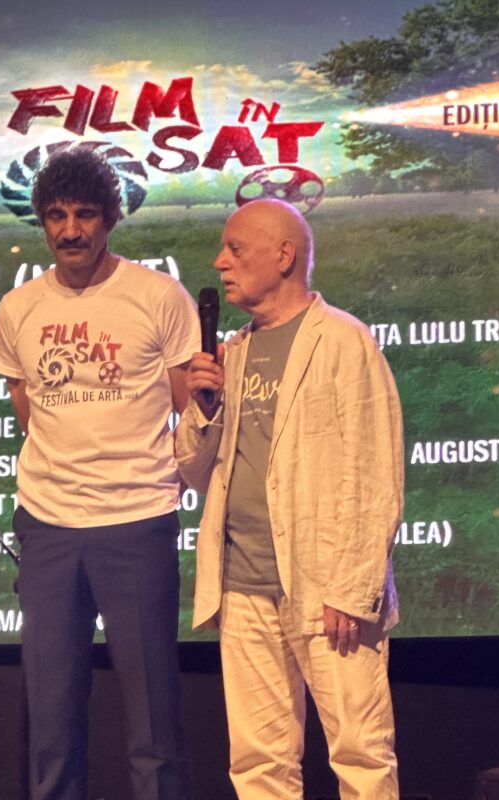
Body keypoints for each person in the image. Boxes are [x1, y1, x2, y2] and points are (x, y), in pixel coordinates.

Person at [0, 145, 199, 800]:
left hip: (137, 524)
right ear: (42, 221)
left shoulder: (157, 297)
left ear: (110, 217)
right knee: (51, 721)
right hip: (48, 529)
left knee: (153, 723)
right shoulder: (18, 308)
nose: (70, 230)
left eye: (84, 214)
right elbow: (29, 408)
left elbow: (189, 407)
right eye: (56, 215)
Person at [175, 198, 404, 800]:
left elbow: (375, 471)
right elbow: (193, 470)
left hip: (326, 586)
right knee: (258, 763)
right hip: (243, 585)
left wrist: (353, 588)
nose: (220, 262)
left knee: (359, 753)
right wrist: (202, 408)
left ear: (284, 256)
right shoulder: (233, 352)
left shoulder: (345, 341)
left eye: (235, 249)